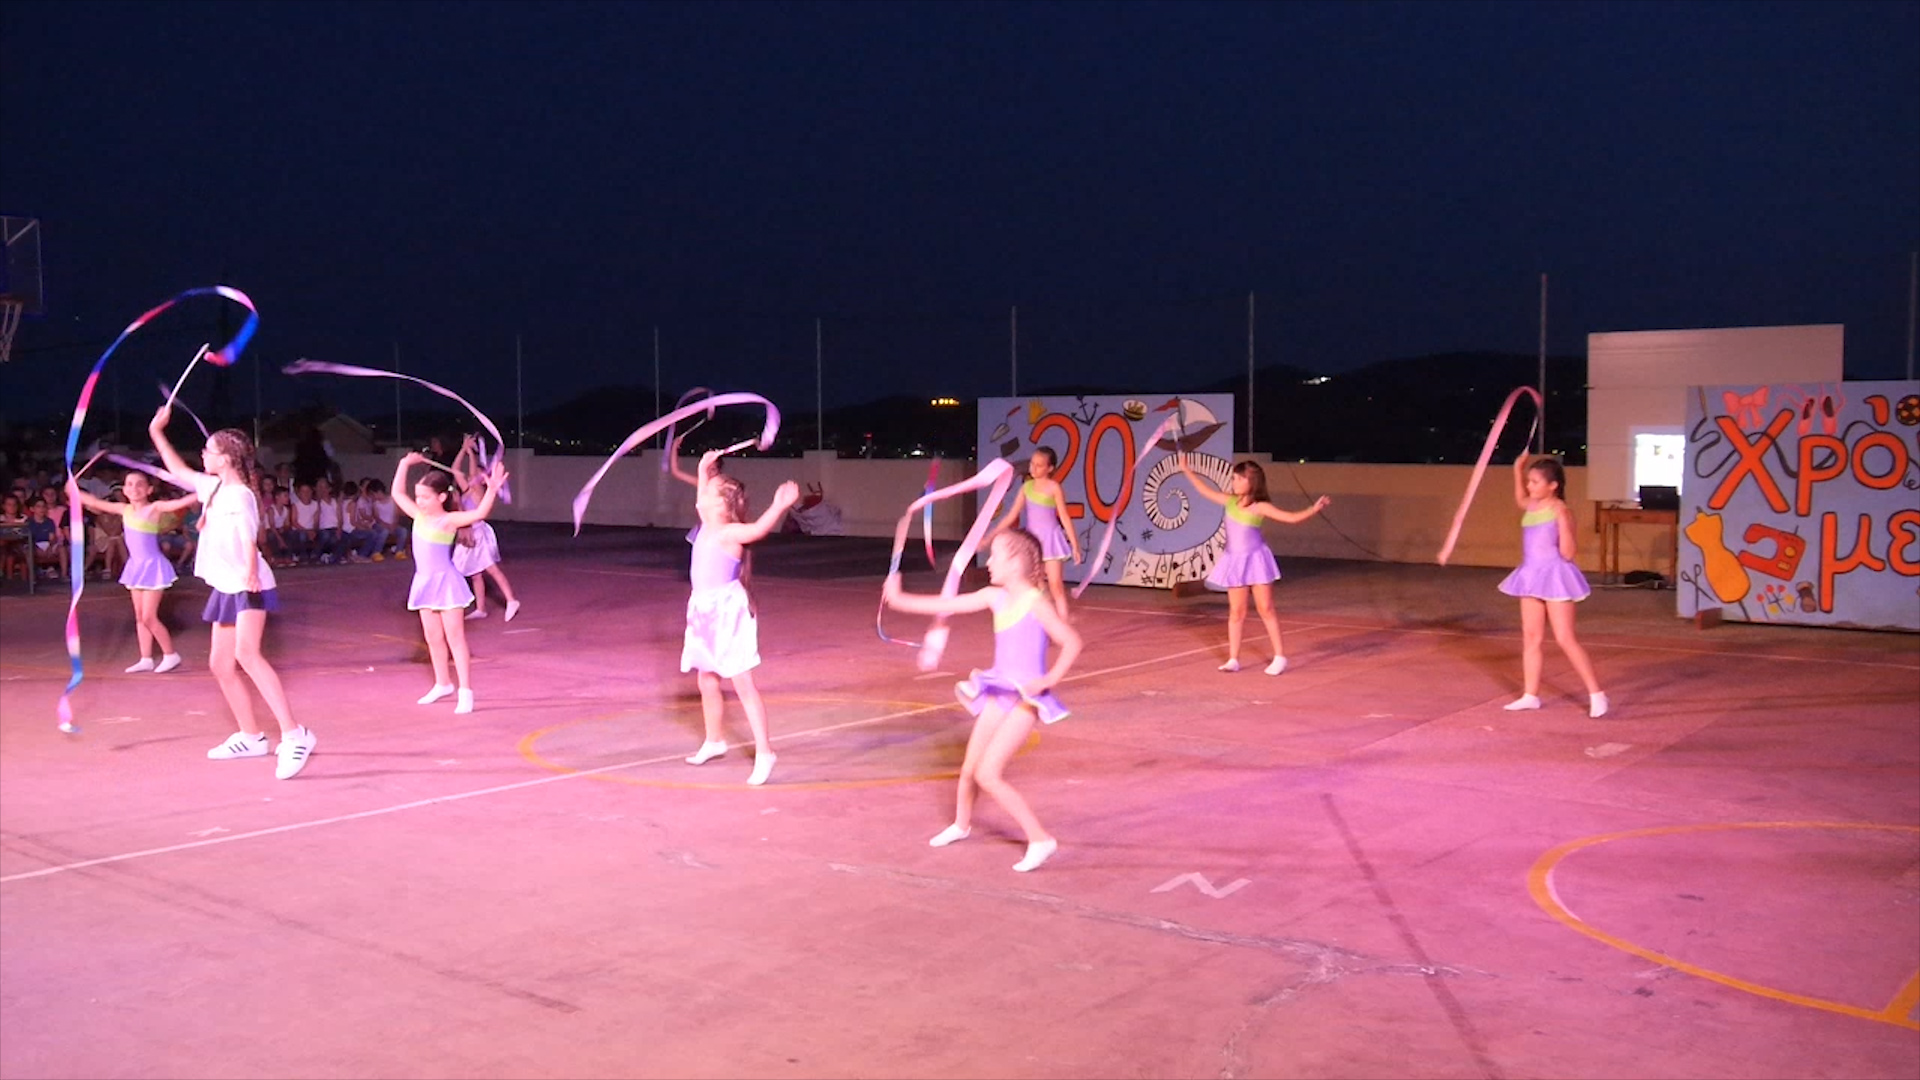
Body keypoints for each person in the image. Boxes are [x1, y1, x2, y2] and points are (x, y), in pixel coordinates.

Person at [882, 527, 1082, 872]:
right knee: (969, 768)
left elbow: (1072, 642)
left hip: (1024, 700)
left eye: (996, 556)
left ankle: (1040, 839)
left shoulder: (1036, 603)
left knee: (988, 774)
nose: (988, 562)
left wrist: (1048, 680)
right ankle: (961, 825)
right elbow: (946, 605)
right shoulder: (994, 597)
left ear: (1015, 562)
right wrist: (899, 599)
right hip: (998, 691)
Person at [148, 405, 316, 779]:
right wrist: (157, 431)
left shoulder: (240, 496)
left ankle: (295, 734)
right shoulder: (213, 487)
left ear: (225, 459)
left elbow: (248, 537)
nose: (203, 455)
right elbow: (177, 469)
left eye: (208, 450)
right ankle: (251, 736)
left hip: (247, 583)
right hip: (226, 585)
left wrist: (251, 573)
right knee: (220, 664)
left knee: (247, 654)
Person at [679, 450, 800, 786]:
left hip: (727, 613)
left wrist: (779, 505)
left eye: (707, 491)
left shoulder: (728, 532)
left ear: (721, 504)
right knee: (706, 679)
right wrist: (703, 468)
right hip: (702, 610)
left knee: (742, 682)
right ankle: (714, 740)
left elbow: (759, 530)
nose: (700, 496)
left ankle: (765, 752)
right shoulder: (707, 525)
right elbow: (701, 495)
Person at [1177, 455, 1329, 674]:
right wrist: (1185, 469)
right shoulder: (1229, 501)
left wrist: (1313, 509)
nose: (1235, 482)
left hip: (1256, 560)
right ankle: (1233, 659)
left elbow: (1291, 518)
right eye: (1234, 478)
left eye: (1240, 479)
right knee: (1236, 612)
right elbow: (1204, 490)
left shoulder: (1260, 506)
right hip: (1234, 560)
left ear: (1253, 482)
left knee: (1265, 608)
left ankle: (1279, 656)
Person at [391, 451, 507, 714]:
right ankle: (442, 683)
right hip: (424, 583)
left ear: (441, 498)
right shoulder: (418, 516)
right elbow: (397, 493)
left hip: (447, 584)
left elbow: (480, 513)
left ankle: (465, 691)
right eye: (418, 496)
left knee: (455, 639)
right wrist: (404, 464)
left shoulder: (449, 520)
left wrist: (491, 490)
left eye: (425, 497)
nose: (419, 501)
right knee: (432, 638)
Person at [1500, 453, 1608, 718]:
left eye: (1535, 482)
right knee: (1531, 638)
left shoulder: (1561, 510)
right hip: (1530, 575)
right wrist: (1517, 469)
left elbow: (1568, 553)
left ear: (1552, 485)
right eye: (1529, 481)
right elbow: (1520, 498)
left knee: (1564, 638)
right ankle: (1530, 695)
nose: (1529, 486)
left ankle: (1597, 694)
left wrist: (1564, 524)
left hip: (1555, 576)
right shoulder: (1531, 506)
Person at [70, 471, 198, 673]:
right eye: (129, 484)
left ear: (149, 489)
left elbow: (180, 502)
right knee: (139, 616)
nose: (134, 488)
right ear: (124, 489)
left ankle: (171, 655)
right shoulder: (124, 509)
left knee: (148, 617)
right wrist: (73, 489)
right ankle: (146, 658)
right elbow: (94, 502)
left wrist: (206, 489)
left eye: (139, 484)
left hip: (153, 567)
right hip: (136, 567)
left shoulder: (155, 508)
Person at [993, 447, 1082, 617]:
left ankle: (1062, 623)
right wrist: (993, 534)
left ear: (1050, 468)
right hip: (1032, 544)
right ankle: (1045, 620)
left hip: (1051, 541)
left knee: (1056, 585)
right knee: (1036, 586)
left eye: (1039, 465)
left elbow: (1064, 517)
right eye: (1032, 464)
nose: (1033, 468)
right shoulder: (1026, 488)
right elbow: (1012, 515)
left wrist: (1075, 545)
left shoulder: (1054, 487)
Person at [451, 435, 520, 621]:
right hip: (468, 533)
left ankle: (511, 600)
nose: (473, 475)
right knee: (475, 574)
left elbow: (472, 473)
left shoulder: (478, 491)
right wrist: (464, 449)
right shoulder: (468, 490)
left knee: (491, 569)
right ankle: (481, 608)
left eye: (480, 475)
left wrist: (471, 455)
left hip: (478, 534)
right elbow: (455, 470)